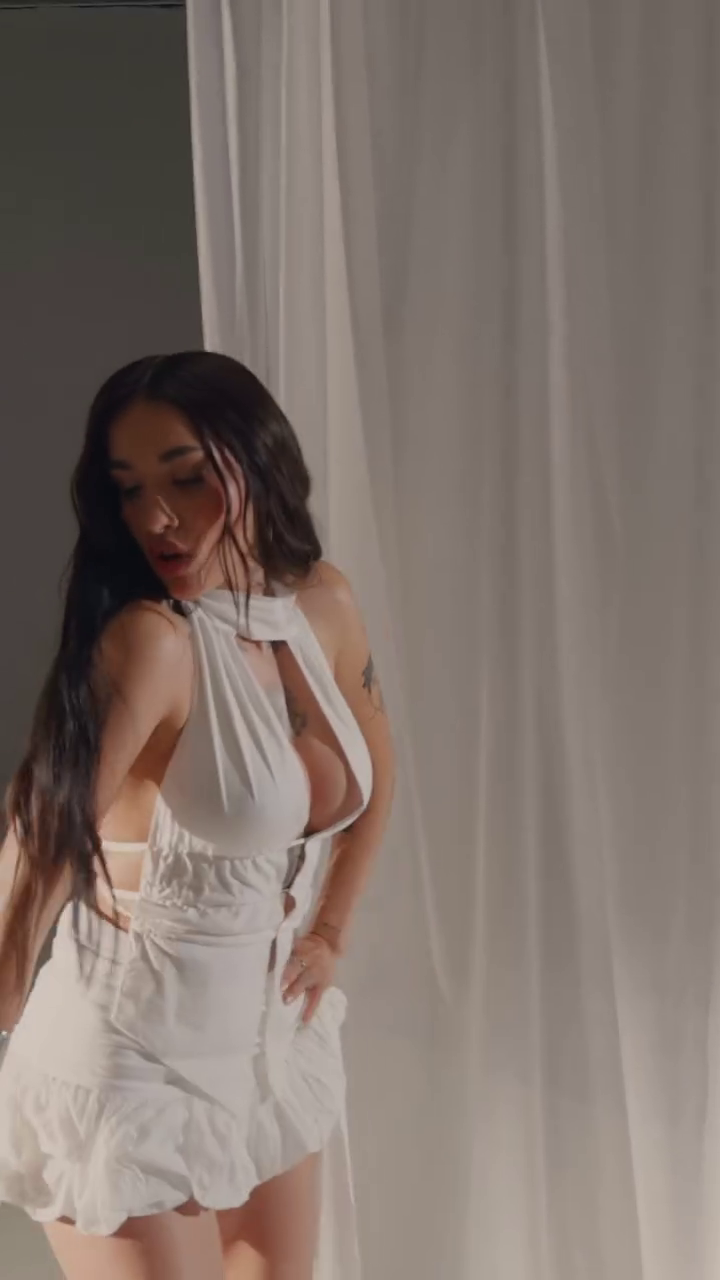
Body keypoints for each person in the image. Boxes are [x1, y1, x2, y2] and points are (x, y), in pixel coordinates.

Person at [0, 351, 395, 1280]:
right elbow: (40, 841)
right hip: (128, 1064)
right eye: (129, 489)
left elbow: (376, 774)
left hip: (264, 1050)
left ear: (259, 461)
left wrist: (328, 931)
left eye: (186, 478)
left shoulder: (320, 604)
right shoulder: (150, 642)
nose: (156, 518)